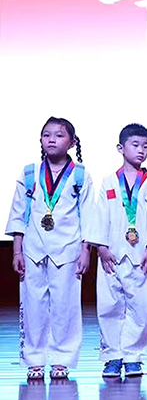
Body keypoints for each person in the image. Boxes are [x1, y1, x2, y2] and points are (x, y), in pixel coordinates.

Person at [6, 117, 94, 380]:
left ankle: (62, 359)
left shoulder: (80, 175)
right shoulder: (30, 173)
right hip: (33, 249)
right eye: (46, 135)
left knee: (65, 306)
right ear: (41, 140)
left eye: (59, 135)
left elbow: (88, 216)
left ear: (72, 142)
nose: (52, 139)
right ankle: (34, 360)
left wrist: (86, 250)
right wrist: (17, 251)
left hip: (67, 250)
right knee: (32, 305)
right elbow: (18, 214)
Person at [88, 123, 147, 378]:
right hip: (112, 254)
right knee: (109, 305)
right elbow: (100, 215)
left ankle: (133, 356)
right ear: (121, 148)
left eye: (146, 146)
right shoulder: (109, 181)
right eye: (135, 145)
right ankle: (112, 356)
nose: (141, 150)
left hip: (141, 255)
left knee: (141, 307)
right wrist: (101, 246)